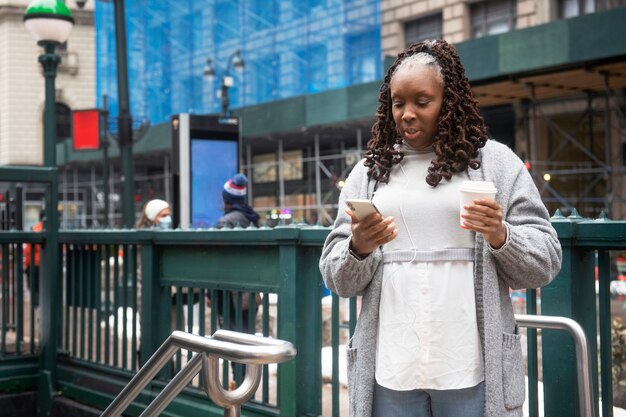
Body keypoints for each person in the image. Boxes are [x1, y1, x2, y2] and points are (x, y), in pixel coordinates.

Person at [319, 39, 562, 417]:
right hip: (391, 369)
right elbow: (338, 278)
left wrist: (501, 236)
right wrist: (358, 248)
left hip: (472, 369)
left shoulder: (496, 163)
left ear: (448, 101)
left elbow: (545, 261)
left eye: (422, 101)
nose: (407, 114)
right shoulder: (368, 174)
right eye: (398, 103)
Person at [214, 173, 261, 387]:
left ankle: (239, 385)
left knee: (233, 341)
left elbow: (218, 261)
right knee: (247, 337)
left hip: (228, 293)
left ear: (227, 199)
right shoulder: (253, 218)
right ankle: (247, 385)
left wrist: (209, 294)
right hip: (250, 291)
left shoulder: (225, 222)